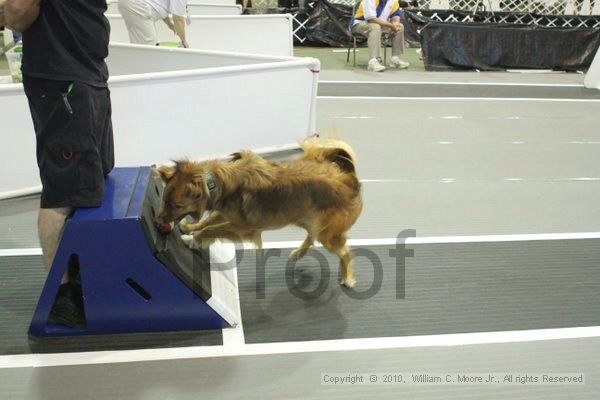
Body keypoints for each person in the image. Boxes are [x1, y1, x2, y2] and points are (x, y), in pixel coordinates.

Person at [1, 0, 114, 328]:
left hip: (86, 73)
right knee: (64, 191)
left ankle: (79, 272)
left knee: (93, 177)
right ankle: (61, 296)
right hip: (62, 77)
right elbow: (17, 11)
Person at [351, 0, 410, 72]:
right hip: (359, 24)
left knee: (400, 26)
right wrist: (391, 25)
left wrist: (396, 23)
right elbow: (371, 19)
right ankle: (373, 61)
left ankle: (395, 59)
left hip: (380, 24)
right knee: (375, 27)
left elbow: (396, 15)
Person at [118, 0, 189, 48]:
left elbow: (159, 3)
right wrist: (184, 41)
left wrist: (169, 23)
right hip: (137, 6)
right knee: (148, 49)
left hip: (132, 4)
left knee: (141, 45)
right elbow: (178, 19)